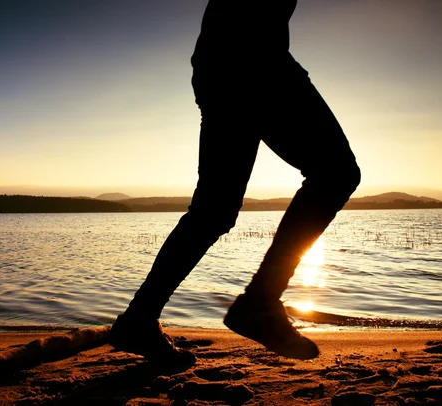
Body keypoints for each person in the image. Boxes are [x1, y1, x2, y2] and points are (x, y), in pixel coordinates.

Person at [108, 0, 361, 364]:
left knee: (214, 210)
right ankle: (260, 302)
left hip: (219, 61)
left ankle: (139, 319)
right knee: (336, 172)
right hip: (256, 56)